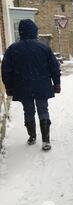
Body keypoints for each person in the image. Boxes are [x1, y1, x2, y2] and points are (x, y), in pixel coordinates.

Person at [1, 19, 61, 151]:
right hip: (42, 85)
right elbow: (54, 67)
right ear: (35, 31)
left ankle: (32, 136)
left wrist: (9, 87)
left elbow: (6, 70)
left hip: (23, 87)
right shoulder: (44, 47)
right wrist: (56, 84)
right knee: (43, 110)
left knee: (28, 110)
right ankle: (46, 140)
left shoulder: (13, 49)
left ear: (21, 32)